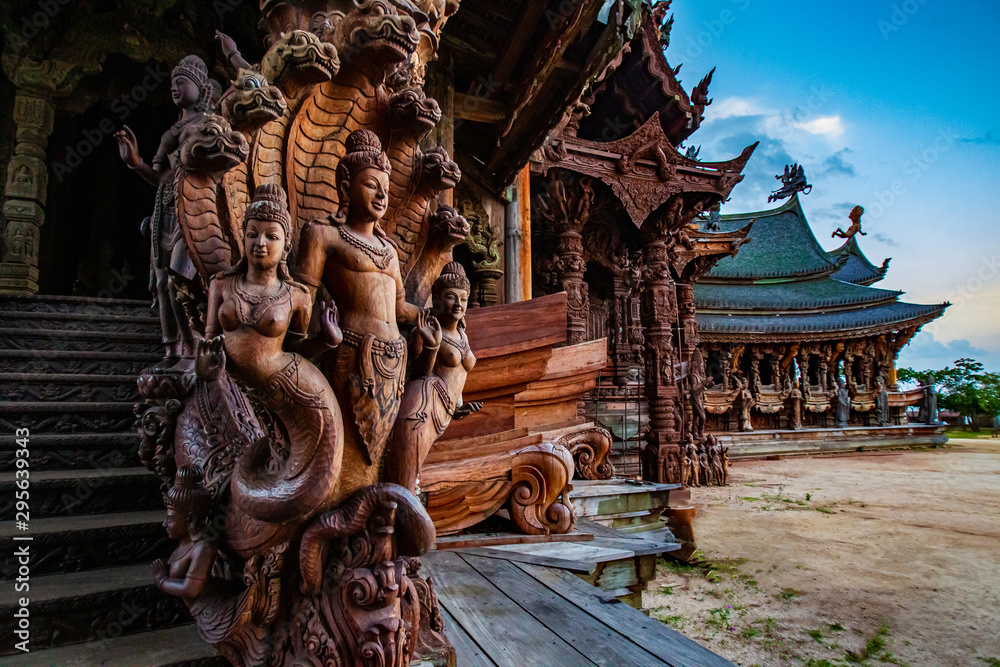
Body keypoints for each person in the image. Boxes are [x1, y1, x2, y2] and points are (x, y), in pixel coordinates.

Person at [200, 183, 344, 556]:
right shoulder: (221, 285)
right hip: (255, 391)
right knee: (282, 471)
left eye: (271, 236)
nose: (260, 243)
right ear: (242, 238)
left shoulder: (297, 296)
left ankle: (305, 539)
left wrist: (327, 339)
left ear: (285, 245)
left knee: (315, 475)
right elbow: (206, 349)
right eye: (252, 234)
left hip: (300, 388)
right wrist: (208, 366)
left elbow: (297, 348)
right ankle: (268, 540)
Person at [296, 129, 426, 490]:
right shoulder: (323, 235)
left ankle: (381, 510)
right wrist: (315, 338)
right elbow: (302, 300)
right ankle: (341, 514)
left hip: (394, 362)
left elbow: (400, 307)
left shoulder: (389, 250)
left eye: (386, 187)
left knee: (384, 453)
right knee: (348, 450)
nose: (382, 195)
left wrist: (430, 318)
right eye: (371, 185)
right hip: (352, 354)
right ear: (345, 185)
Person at [115, 55, 216, 372]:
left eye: (181, 82)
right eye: (173, 83)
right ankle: (172, 349)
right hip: (164, 209)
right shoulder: (173, 130)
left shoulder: (209, 126)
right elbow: (163, 179)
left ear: (200, 89)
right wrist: (136, 163)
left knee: (179, 281)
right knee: (161, 283)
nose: (175, 88)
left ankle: (192, 346)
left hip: (192, 209)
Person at [384, 262, 482, 491]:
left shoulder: (461, 334)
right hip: (423, 403)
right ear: (437, 300)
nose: (458, 304)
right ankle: (399, 506)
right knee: (408, 466)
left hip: (444, 409)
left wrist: (458, 406)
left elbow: (458, 373)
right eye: (451, 297)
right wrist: (432, 347)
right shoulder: (426, 329)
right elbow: (418, 372)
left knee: (415, 468)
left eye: (463, 299)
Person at [153, 465, 216, 601]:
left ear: (190, 519)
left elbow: (191, 589)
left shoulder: (203, 548)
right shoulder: (185, 542)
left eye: (170, 520)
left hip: (209, 611)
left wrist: (162, 580)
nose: (164, 524)